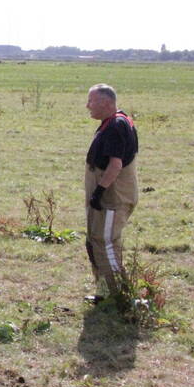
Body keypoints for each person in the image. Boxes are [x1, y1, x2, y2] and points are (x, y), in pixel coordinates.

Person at [84, 83, 139, 302]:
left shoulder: (116, 126)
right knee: (96, 241)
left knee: (105, 242)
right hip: (107, 197)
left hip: (113, 199)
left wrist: (99, 192)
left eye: (91, 101)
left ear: (106, 103)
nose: (88, 106)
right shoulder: (112, 122)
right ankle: (105, 293)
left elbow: (115, 165)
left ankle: (120, 298)